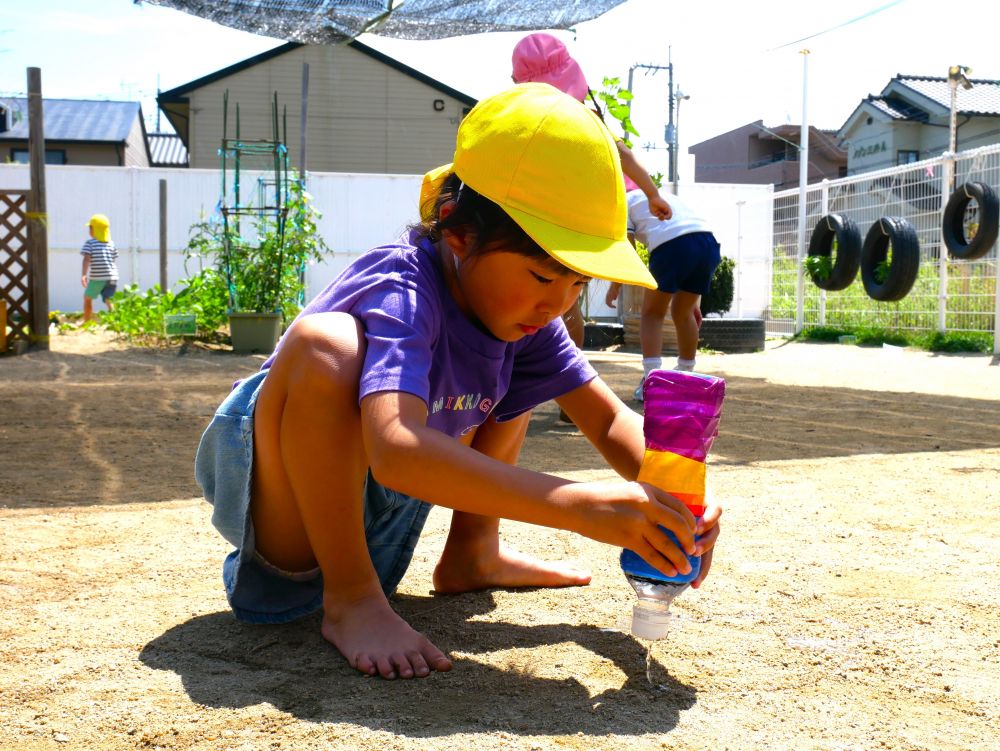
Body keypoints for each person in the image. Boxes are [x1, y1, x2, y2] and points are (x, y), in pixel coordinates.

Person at [195, 84, 722, 681]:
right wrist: (580, 506)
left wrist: (675, 499)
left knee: (517, 360)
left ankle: (473, 553)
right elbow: (396, 450)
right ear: (459, 234)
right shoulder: (402, 287)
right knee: (326, 347)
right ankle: (351, 598)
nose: (558, 303)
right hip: (288, 509)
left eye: (577, 285)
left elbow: (604, 418)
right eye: (542, 274)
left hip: (381, 509)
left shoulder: (522, 315)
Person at [511, 32, 672, 420]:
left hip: (545, 224)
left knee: (543, 304)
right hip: (569, 226)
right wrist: (651, 194)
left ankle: (539, 391)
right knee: (566, 305)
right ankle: (563, 394)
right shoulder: (586, 118)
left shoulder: (534, 123)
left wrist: (651, 195)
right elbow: (625, 157)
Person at [605, 189, 721, 401]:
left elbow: (626, 246)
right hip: (707, 243)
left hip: (671, 245)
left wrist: (616, 283)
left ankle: (652, 381)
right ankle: (687, 376)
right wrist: (692, 301)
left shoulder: (621, 202)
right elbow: (688, 234)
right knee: (683, 313)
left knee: (651, 314)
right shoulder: (658, 194)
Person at [80, 214, 118, 323]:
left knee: (87, 298)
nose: (89, 230)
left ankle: (86, 321)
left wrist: (83, 274)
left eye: (90, 228)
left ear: (94, 229)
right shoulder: (111, 244)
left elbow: (86, 259)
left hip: (98, 277)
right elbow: (113, 259)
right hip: (113, 277)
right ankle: (116, 321)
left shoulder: (90, 243)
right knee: (109, 299)